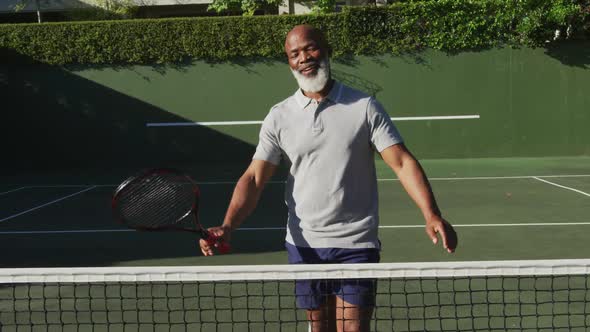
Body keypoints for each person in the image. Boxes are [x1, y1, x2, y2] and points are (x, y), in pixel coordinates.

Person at [200, 24, 457, 332]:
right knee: (319, 327)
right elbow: (255, 178)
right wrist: (229, 224)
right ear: (289, 63)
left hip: (356, 242)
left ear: (327, 50)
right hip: (304, 244)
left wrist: (431, 214)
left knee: (352, 328)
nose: (304, 58)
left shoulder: (364, 107)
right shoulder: (279, 116)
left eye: (310, 48)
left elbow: (401, 162)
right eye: (294, 54)